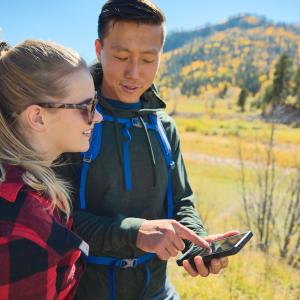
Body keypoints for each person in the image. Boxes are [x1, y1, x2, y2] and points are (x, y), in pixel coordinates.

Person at [60, 1, 238, 299]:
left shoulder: (163, 127)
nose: (134, 72)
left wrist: (197, 244)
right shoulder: (71, 120)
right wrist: (135, 233)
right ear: (98, 49)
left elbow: (182, 201)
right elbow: (56, 219)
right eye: (121, 56)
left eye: (147, 59)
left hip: (157, 291)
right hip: (85, 291)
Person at [0, 39, 102, 299]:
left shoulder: (23, 190)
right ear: (38, 117)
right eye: (87, 107)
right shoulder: (24, 228)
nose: (98, 116)